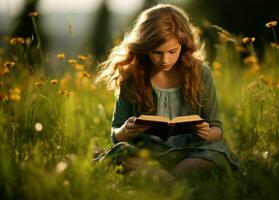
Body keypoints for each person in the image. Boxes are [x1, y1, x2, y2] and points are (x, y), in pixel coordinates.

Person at [95, 4, 239, 181]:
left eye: (172, 51)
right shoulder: (132, 76)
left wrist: (207, 133)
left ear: (184, 45)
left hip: (191, 153)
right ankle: (172, 179)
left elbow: (217, 130)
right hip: (146, 155)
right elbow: (116, 135)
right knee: (121, 152)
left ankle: (165, 179)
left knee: (218, 152)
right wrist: (126, 130)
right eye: (157, 52)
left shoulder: (201, 73)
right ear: (144, 47)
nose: (165, 60)